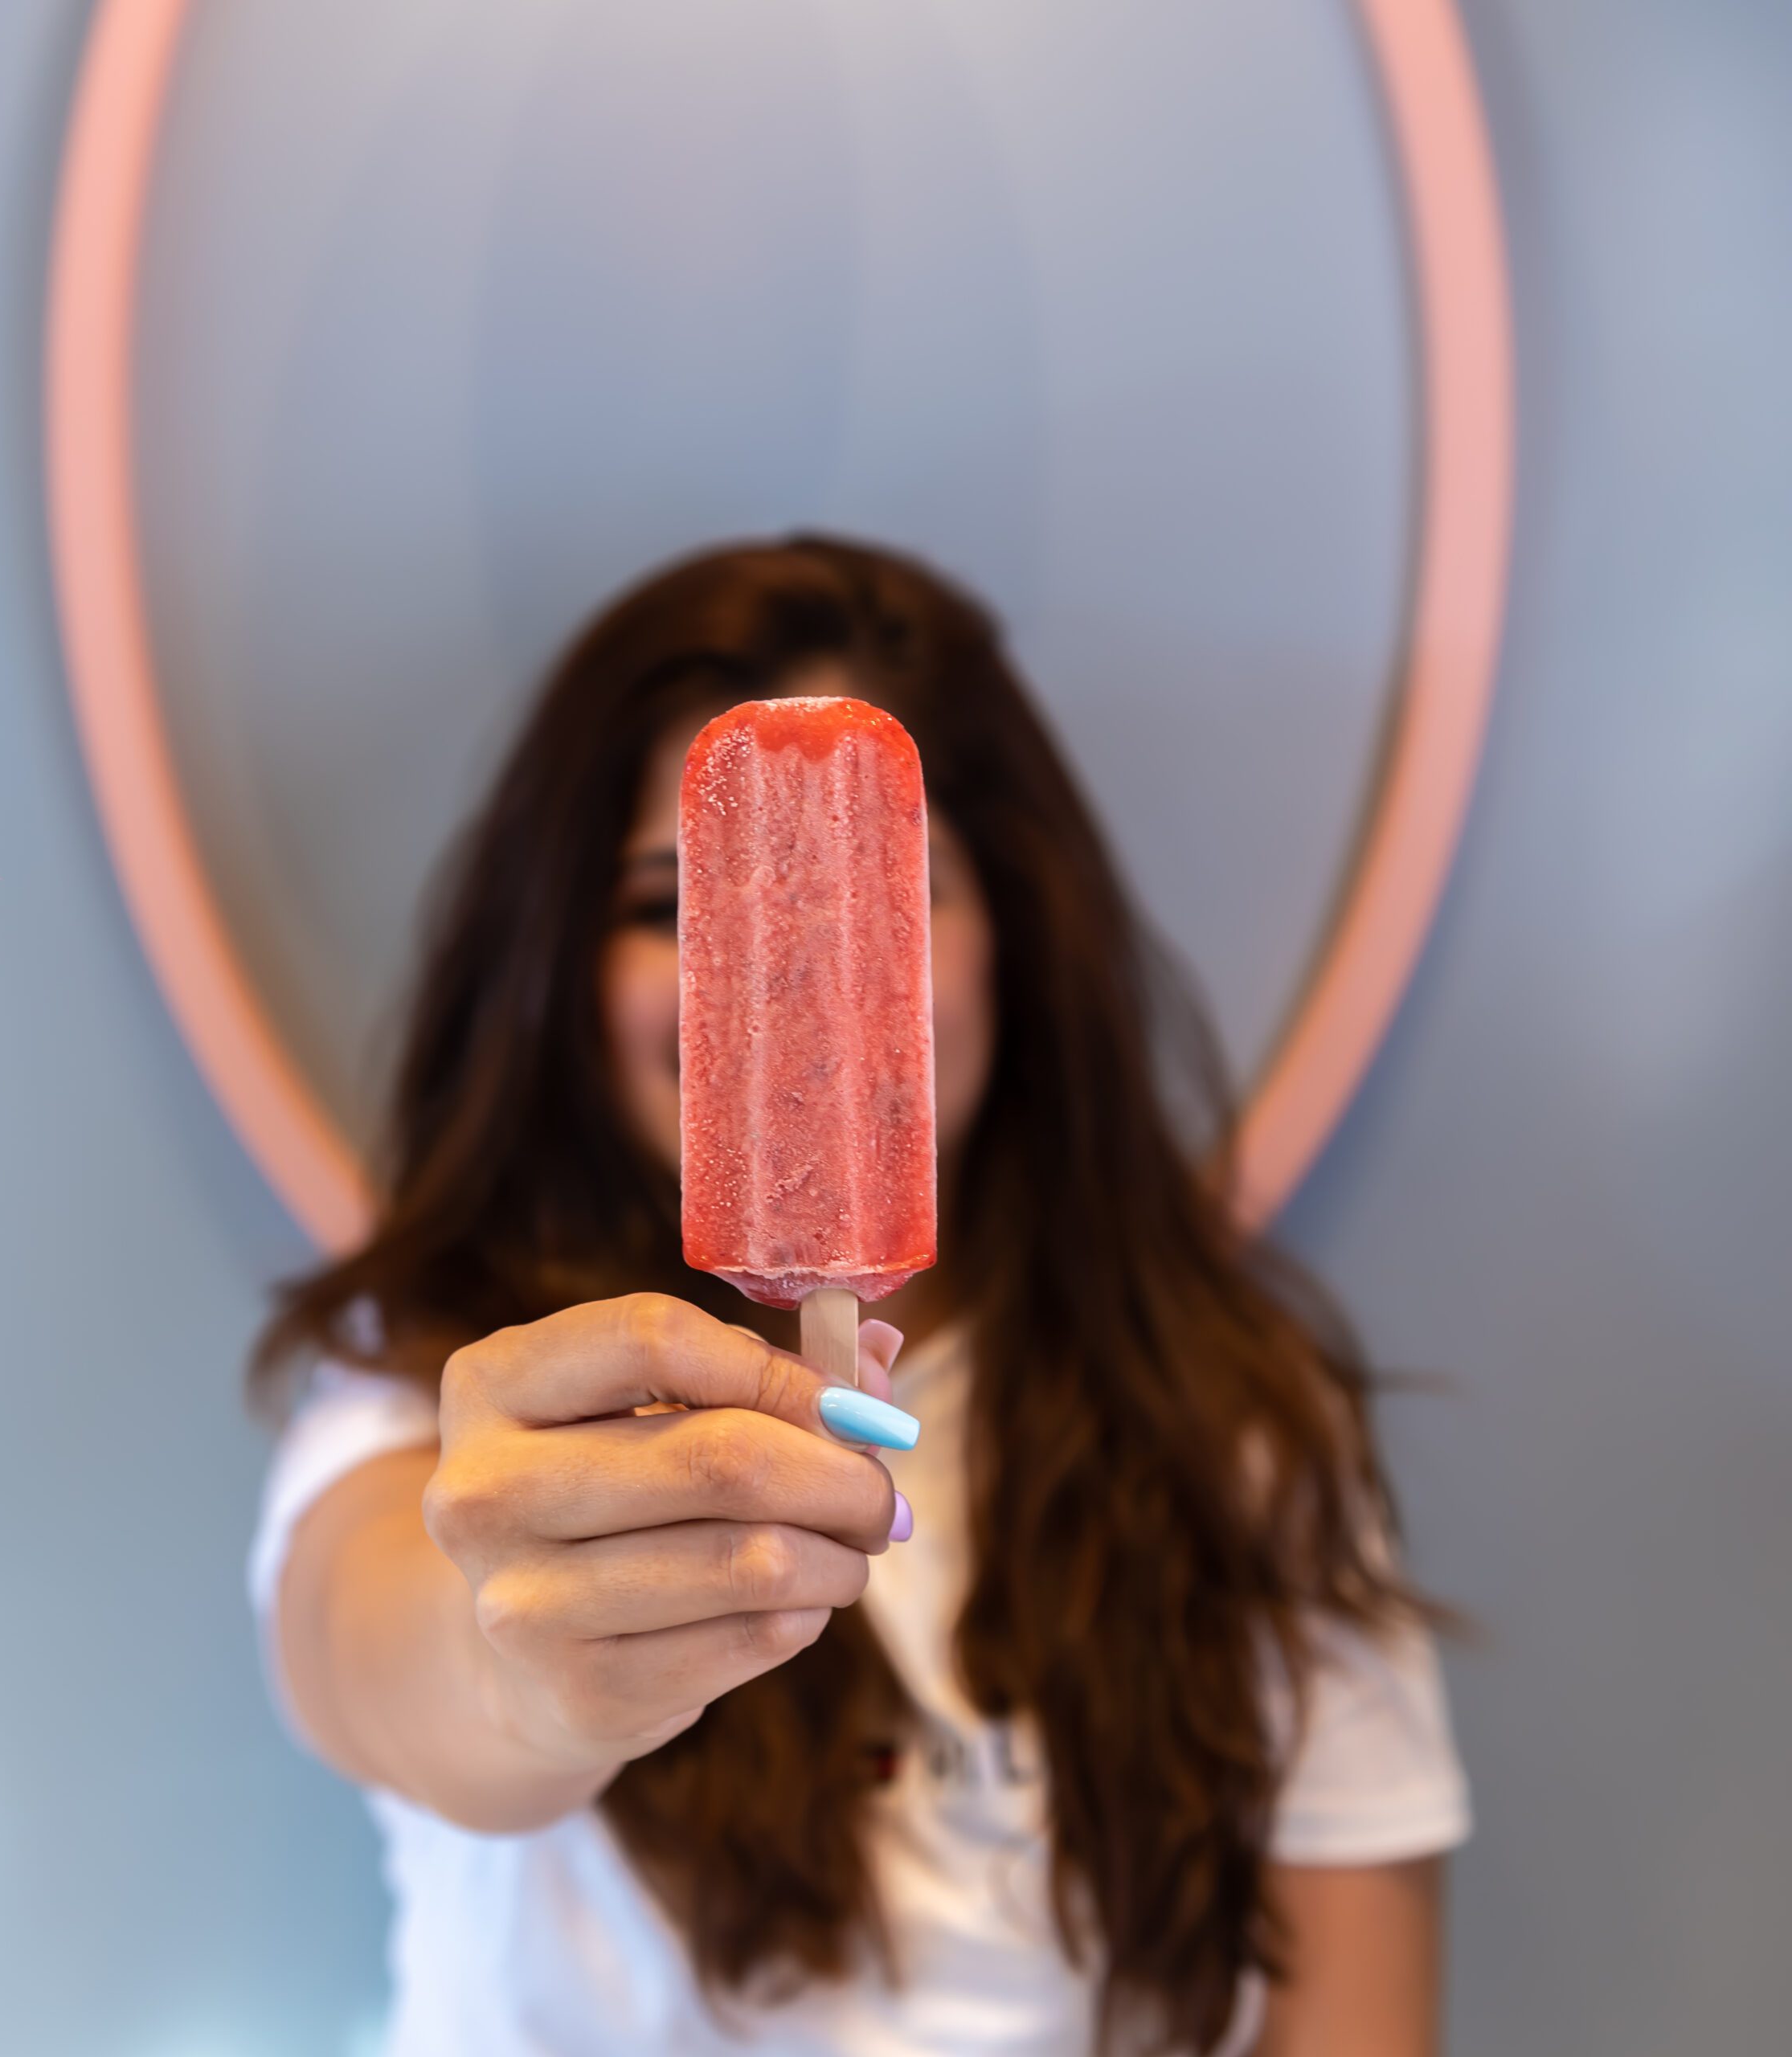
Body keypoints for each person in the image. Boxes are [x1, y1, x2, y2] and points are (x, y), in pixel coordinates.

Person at [247, 536, 1470, 2055]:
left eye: (886, 900)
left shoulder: (1242, 1438)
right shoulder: (442, 1397)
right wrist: (529, 1675)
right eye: (660, 906)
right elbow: (372, 1642)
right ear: (556, 969)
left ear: (1014, 937)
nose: (770, 968)